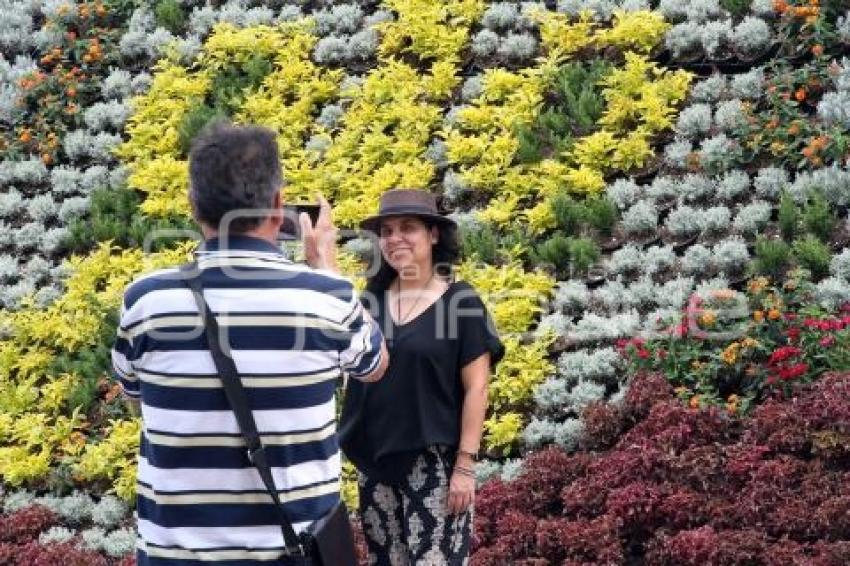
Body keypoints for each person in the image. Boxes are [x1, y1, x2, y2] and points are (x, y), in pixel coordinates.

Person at [110, 122, 388, 565]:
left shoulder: (145, 302)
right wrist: (328, 269)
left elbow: (135, 400)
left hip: (175, 555)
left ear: (193, 205)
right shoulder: (326, 297)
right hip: (290, 552)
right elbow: (374, 364)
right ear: (279, 206)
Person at [339, 189, 504, 565]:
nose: (395, 238)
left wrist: (465, 465)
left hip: (434, 464)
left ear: (433, 235)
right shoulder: (370, 303)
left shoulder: (460, 302)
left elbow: (477, 386)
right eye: (387, 231)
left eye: (408, 228)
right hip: (376, 465)